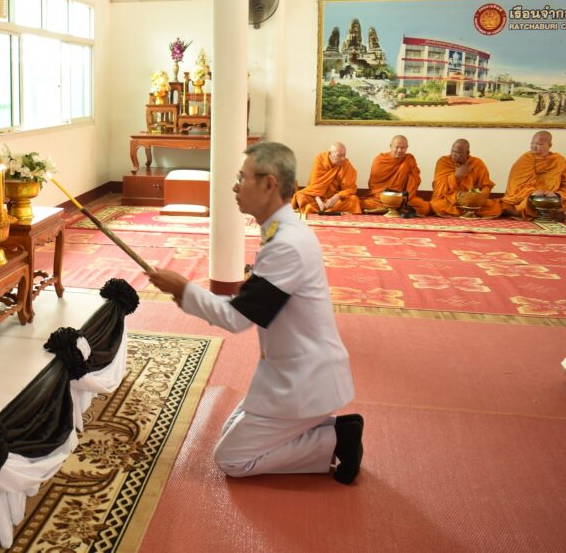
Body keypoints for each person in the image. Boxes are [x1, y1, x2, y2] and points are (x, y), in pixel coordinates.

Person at [146, 142, 362, 484]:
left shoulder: (287, 244)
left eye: (242, 178)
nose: (235, 187)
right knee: (230, 431)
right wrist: (185, 293)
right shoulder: (282, 231)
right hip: (287, 371)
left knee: (232, 459)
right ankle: (326, 428)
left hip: (306, 380)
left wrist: (183, 288)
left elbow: (237, 318)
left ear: (269, 184)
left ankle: (335, 439)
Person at [500, 130, 566, 220]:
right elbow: (514, 185)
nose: (534, 146)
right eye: (532, 143)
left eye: (539, 144)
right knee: (522, 204)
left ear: (549, 145)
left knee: (557, 201)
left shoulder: (559, 160)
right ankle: (546, 213)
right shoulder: (525, 159)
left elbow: (564, 184)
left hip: (551, 196)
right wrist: (531, 192)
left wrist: (557, 194)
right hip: (529, 196)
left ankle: (553, 212)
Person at [361, 135, 431, 216]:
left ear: (407, 147)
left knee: (425, 207)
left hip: (402, 197)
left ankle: (387, 209)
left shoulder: (409, 160)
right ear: (391, 146)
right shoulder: (380, 160)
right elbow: (374, 186)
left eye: (403, 148)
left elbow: (414, 180)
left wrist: (405, 197)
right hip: (382, 197)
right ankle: (397, 209)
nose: (399, 150)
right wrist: (388, 197)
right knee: (365, 203)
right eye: (397, 147)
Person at [430, 139, 501, 218]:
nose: (454, 155)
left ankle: (467, 211)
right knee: (436, 205)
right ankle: (467, 212)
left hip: (472, 198)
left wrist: (482, 197)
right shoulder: (443, 162)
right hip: (451, 199)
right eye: (453, 151)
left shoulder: (477, 163)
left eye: (458, 153)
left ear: (467, 153)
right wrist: (457, 175)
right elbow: (439, 186)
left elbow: (486, 185)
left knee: (496, 208)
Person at [292, 142, 362, 215]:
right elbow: (313, 186)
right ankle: (331, 211)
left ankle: (319, 211)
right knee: (300, 196)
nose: (342, 158)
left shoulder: (346, 164)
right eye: (339, 156)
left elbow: (350, 188)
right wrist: (319, 202)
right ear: (330, 154)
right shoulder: (320, 160)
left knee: (354, 200)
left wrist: (337, 197)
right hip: (317, 198)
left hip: (335, 199)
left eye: (344, 155)